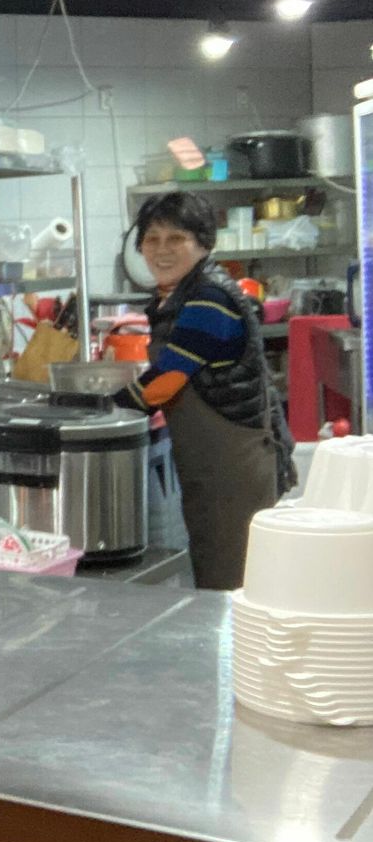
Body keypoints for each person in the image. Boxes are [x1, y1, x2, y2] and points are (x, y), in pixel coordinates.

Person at [112, 192, 295, 590]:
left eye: (176, 239)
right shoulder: (179, 294)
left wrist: (107, 410)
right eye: (152, 239)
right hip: (210, 462)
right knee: (215, 567)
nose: (161, 250)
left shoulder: (210, 299)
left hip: (236, 463)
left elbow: (167, 380)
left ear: (203, 243)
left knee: (235, 579)